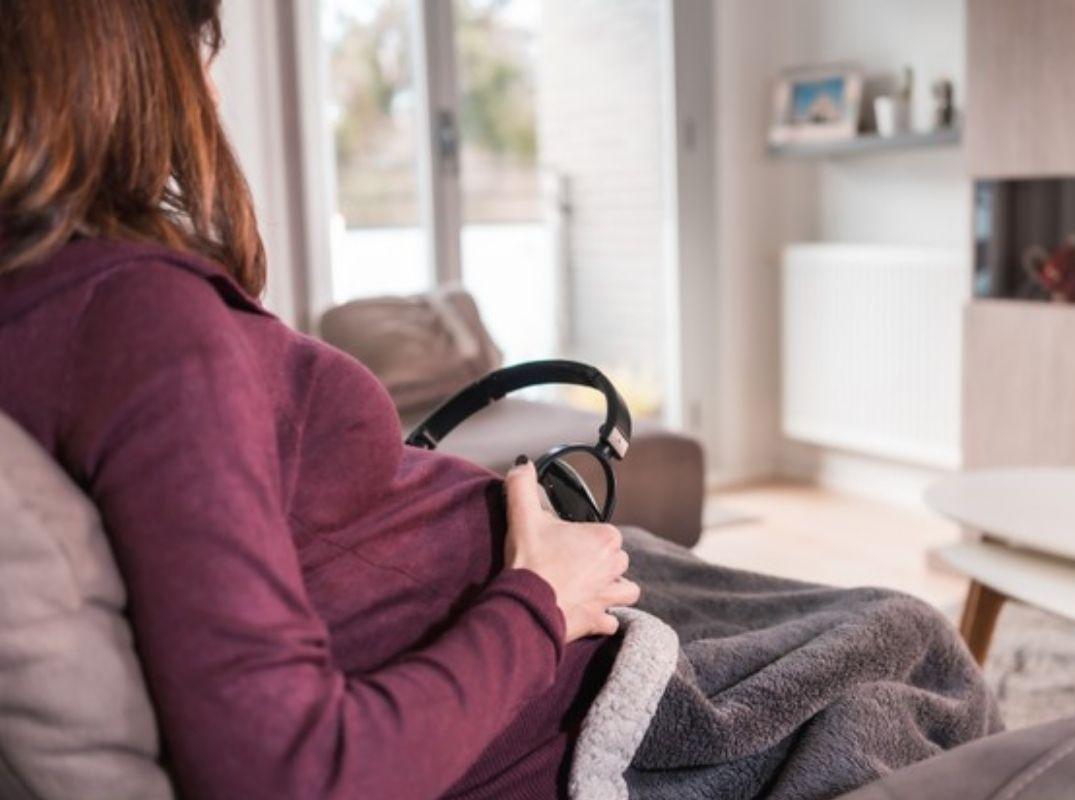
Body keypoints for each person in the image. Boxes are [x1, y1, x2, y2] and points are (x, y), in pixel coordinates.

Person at [0, 1, 639, 798]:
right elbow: (293, 771)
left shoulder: (53, 302)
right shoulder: (143, 322)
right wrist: (541, 602)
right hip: (558, 716)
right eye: (194, 49)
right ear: (116, 68)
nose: (210, 92)